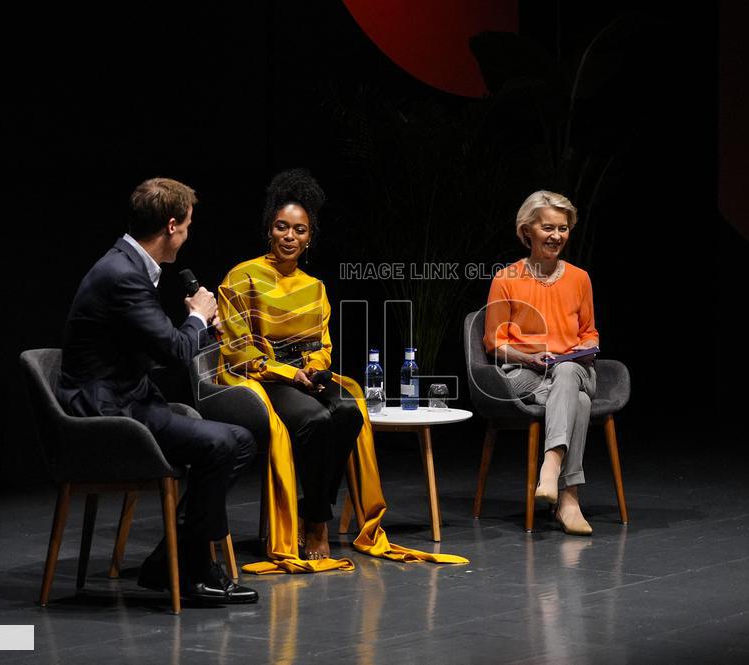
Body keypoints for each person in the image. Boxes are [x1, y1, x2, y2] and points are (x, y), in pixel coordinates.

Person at [215, 168, 468, 573]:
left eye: (299, 230)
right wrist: (287, 373)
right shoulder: (242, 277)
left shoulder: (314, 287)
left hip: (306, 375)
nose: (289, 236)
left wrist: (313, 368)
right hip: (261, 378)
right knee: (315, 420)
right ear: (269, 229)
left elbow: (322, 344)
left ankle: (312, 508)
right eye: (282, 227)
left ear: (309, 238)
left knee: (351, 412)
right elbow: (237, 348)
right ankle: (317, 521)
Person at [56, 177, 259, 603]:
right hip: (108, 414)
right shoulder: (123, 275)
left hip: (129, 399)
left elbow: (161, 346)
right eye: (186, 226)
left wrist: (200, 329)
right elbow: (173, 351)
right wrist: (199, 317)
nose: (187, 235)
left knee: (234, 440)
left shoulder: (129, 265)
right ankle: (189, 570)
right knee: (227, 443)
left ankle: (173, 562)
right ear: (171, 226)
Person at [483, 190, 599, 536]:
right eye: (548, 227)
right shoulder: (507, 278)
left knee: (567, 372)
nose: (557, 236)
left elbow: (589, 332)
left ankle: (550, 466)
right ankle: (568, 499)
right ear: (527, 230)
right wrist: (529, 357)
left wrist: (588, 347)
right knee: (576, 400)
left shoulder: (580, 278)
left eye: (563, 229)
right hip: (526, 374)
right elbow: (494, 343)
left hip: (575, 369)